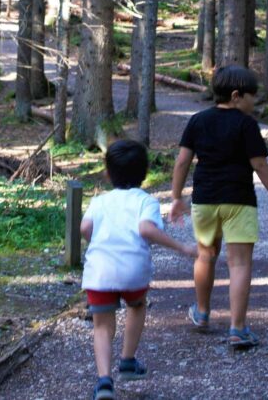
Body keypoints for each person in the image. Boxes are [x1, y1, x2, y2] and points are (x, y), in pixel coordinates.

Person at [169, 65, 268, 349]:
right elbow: (260, 165)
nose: (255, 102)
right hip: (239, 201)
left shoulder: (198, 121)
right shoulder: (246, 125)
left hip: (205, 201)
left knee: (205, 256)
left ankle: (201, 313)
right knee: (239, 264)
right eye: (253, 96)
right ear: (237, 96)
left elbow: (182, 162)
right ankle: (237, 329)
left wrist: (176, 197)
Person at [81, 139, 196, 400]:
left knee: (101, 326)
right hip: (133, 270)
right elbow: (146, 229)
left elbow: (85, 229)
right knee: (136, 305)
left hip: (99, 271)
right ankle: (128, 360)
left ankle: (104, 382)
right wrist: (183, 248)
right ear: (144, 174)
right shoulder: (147, 201)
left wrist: (98, 242)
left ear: (107, 173)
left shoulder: (99, 201)